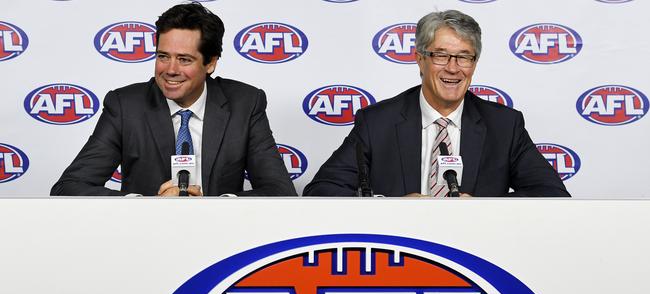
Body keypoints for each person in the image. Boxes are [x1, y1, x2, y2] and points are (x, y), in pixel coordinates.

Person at [303, 10, 569, 197]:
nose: (453, 68)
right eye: (441, 55)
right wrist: (388, 208)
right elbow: (322, 191)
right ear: (420, 59)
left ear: (474, 64)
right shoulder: (377, 122)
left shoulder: (504, 125)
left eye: (464, 57)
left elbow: (551, 194)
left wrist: (483, 209)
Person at [51, 2, 296, 197]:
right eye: (163, 56)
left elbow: (280, 190)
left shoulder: (245, 103)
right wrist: (145, 206)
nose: (170, 69)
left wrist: (218, 208)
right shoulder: (125, 106)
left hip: (222, 239)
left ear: (210, 63)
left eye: (185, 59)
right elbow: (69, 187)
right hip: (144, 237)